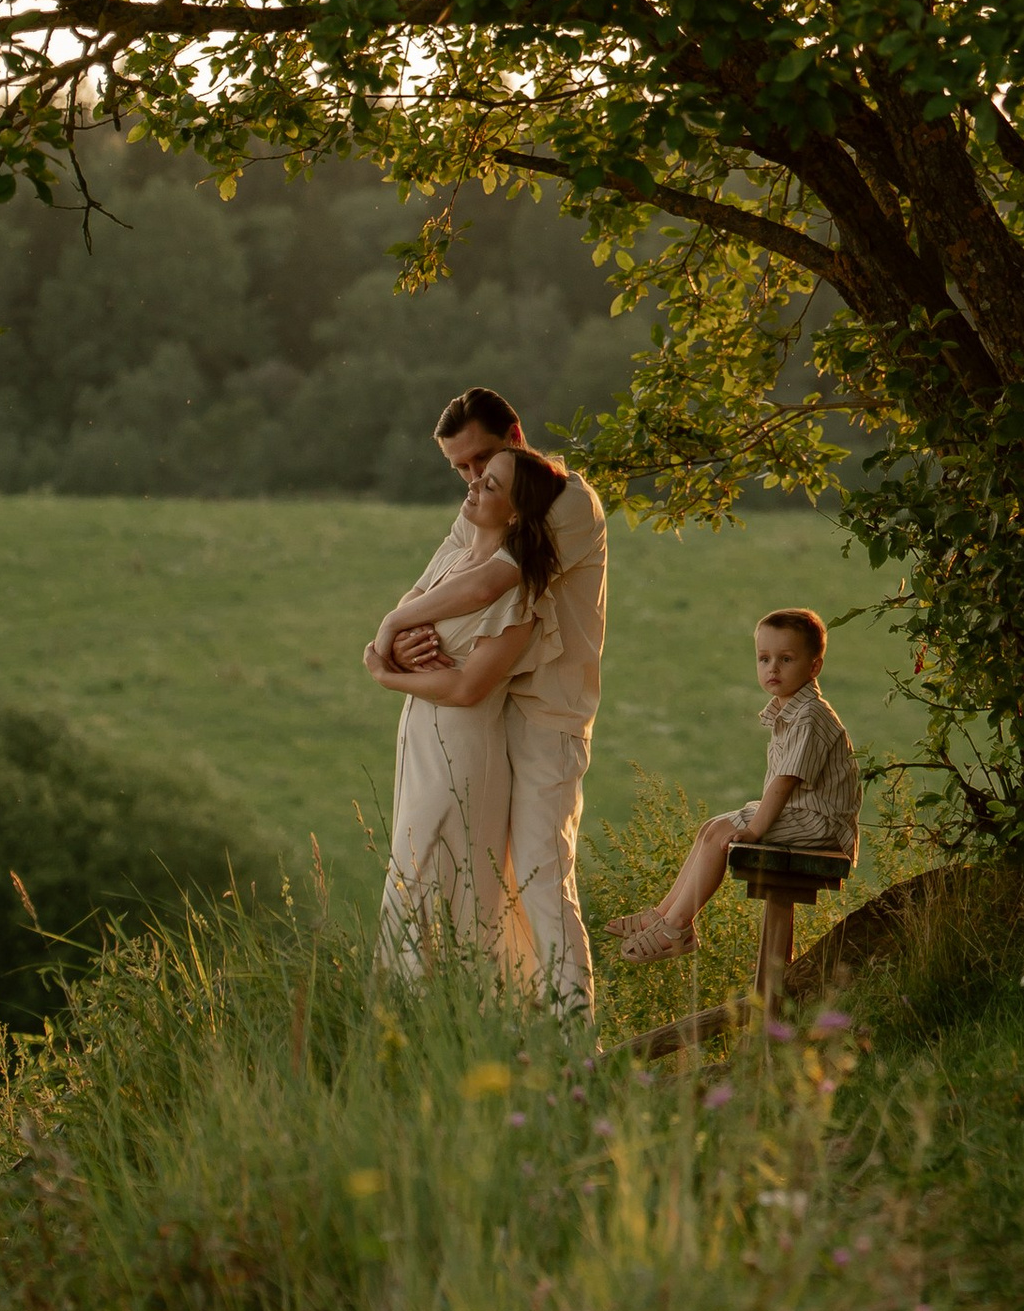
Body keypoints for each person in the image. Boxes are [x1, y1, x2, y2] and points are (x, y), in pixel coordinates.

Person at [368, 386, 608, 1012]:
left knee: (539, 876)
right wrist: (401, 637)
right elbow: (430, 585)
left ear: (515, 437)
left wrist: (392, 633)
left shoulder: (564, 500)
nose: (473, 478)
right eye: (462, 468)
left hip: (547, 712)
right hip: (491, 709)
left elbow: (487, 586)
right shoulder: (482, 505)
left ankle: (575, 1033)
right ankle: (507, 1019)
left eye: (482, 459)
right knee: (482, 879)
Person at [370, 443, 551, 974]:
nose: (473, 484)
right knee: (409, 883)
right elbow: (406, 616)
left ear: (515, 514)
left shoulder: (517, 593)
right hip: (420, 744)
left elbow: (470, 687)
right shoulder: (454, 561)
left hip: (461, 754)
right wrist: (396, 646)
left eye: (490, 484)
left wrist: (387, 675)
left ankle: (449, 1009)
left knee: (440, 890)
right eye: (478, 476)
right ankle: (403, 1016)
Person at [611, 605, 859, 965]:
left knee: (723, 835)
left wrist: (755, 830)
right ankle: (661, 915)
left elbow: (785, 782)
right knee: (711, 828)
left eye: (786, 659)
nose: (773, 668)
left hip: (822, 824)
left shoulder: (810, 717)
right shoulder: (790, 711)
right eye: (764, 659)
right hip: (803, 815)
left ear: (814, 666)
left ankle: (677, 927)